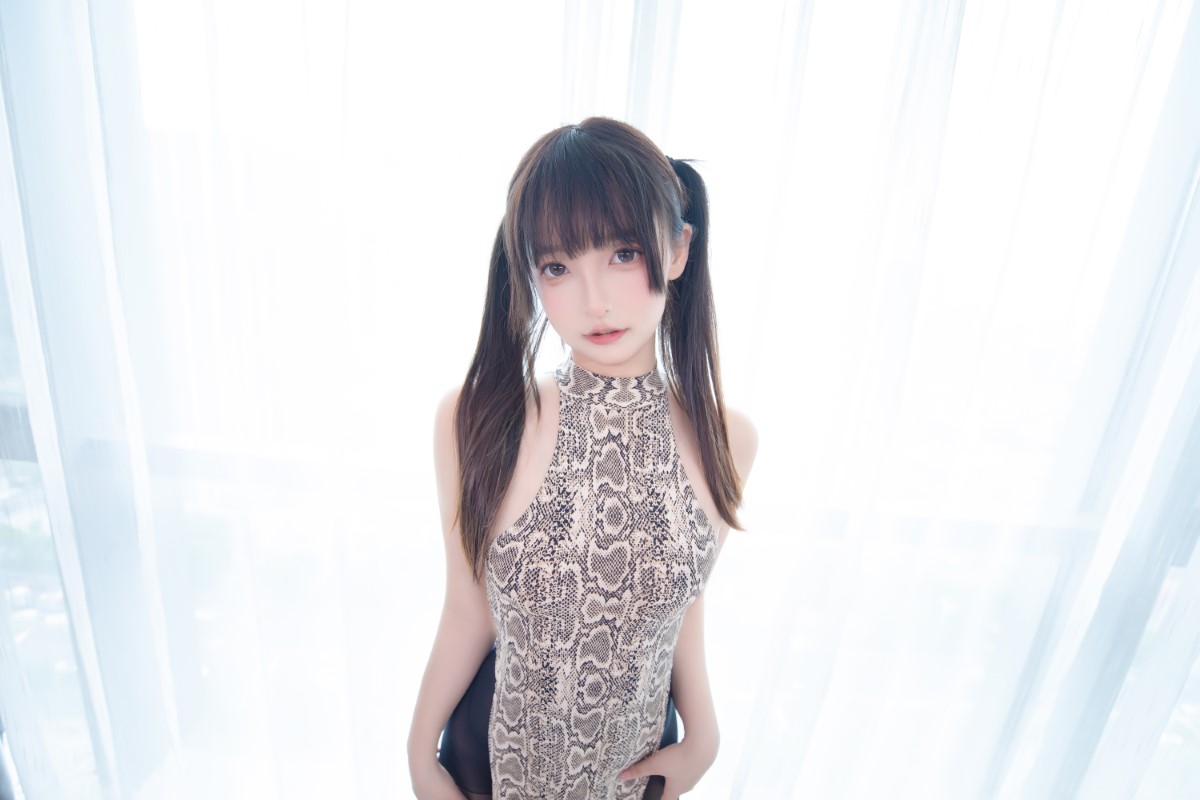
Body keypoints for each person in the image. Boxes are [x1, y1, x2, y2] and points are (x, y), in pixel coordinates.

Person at [407, 116, 759, 800]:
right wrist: (420, 754)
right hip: (490, 770)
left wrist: (705, 734)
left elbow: (676, 603)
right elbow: (468, 611)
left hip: (635, 773)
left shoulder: (729, 439)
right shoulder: (476, 419)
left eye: (623, 254)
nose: (594, 301)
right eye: (558, 267)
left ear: (678, 250)